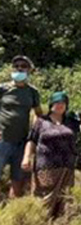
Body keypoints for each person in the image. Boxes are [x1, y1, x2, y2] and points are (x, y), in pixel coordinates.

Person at [22, 92, 80, 218]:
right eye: (57, 103)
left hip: (67, 167)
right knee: (44, 199)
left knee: (65, 199)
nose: (60, 106)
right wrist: (26, 157)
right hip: (46, 167)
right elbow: (31, 140)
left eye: (63, 103)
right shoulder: (41, 121)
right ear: (51, 104)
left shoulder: (71, 122)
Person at [0, 55, 43, 198]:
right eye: (17, 66)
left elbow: (38, 113)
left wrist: (35, 134)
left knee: (18, 179)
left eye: (23, 66)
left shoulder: (32, 92)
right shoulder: (3, 88)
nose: (19, 68)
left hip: (22, 143)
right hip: (2, 140)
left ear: (29, 70)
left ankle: (13, 210)